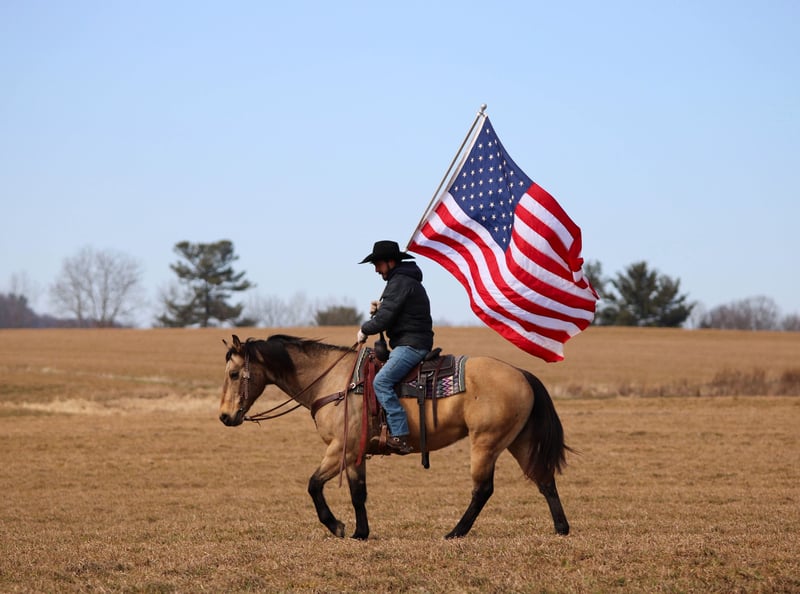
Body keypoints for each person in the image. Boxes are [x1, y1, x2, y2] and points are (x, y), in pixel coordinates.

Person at [357, 240, 434, 454]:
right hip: (413, 341)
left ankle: (399, 435)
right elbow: (393, 313)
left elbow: (384, 320)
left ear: (391, 262)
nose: (376, 270)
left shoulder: (400, 282)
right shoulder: (402, 280)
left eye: (378, 264)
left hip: (411, 345)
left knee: (381, 382)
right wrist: (382, 308)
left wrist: (365, 328)